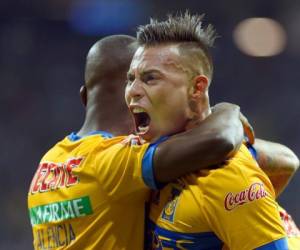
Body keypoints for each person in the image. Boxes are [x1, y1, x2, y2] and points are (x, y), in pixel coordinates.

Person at [27, 35, 247, 250]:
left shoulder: (48, 164)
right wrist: (227, 110)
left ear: (84, 97)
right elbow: (220, 140)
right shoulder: (118, 161)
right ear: (133, 96)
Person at [125, 12, 292, 249]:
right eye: (130, 79)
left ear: (197, 88)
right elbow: (289, 160)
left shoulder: (229, 181)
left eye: (150, 78)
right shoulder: (141, 155)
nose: (133, 90)